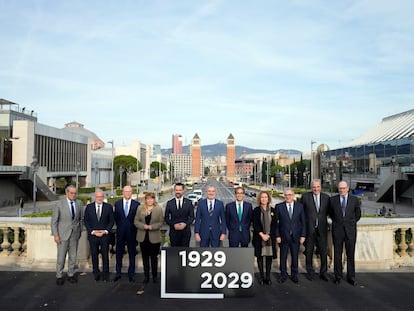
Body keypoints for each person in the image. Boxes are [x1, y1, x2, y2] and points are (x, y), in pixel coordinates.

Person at [329, 181, 361, 286]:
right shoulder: (333, 200)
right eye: (340, 188)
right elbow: (331, 214)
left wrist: (349, 223)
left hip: (350, 231)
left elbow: (357, 215)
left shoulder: (355, 200)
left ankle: (351, 277)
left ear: (348, 189)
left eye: (343, 188)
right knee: (337, 255)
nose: (342, 190)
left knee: (350, 255)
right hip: (337, 231)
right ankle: (337, 276)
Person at [51, 185, 83, 285]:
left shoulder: (79, 203)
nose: (74, 195)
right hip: (62, 235)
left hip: (75, 234)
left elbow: (81, 219)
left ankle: (70, 275)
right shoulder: (59, 204)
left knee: (73, 257)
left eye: (75, 193)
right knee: (61, 257)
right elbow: (54, 222)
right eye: (72, 193)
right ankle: (59, 276)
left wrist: (80, 231)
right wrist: (56, 235)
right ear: (67, 193)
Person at [301, 179, 330, 281]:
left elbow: (329, 212)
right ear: (311, 187)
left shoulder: (326, 198)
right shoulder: (305, 197)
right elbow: (302, 214)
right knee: (309, 251)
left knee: (323, 251)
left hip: (322, 229)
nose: (316, 189)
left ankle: (323, 272)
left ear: (320, 187)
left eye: (318, 187)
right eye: (314, 187)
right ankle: (310, 272)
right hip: (309, 229)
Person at [275, 188, 306, 284]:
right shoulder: (279, 207)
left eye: (290, 195)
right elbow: (275, 223)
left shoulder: (300, 207)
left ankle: (294, 274)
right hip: (283, 236)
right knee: (283, 257)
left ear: (293, 196)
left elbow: (303, 222)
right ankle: (283, 274)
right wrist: (277, 235)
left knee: (295, 256)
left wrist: (303, 235)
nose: (288, 197)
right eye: (286, 195)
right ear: (284, 196)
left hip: (296, 236)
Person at [84, 189, 115, 282]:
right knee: (94, 255)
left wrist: (105, 231)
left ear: (103, 197)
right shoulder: (89, 207)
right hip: (93, 236)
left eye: (101, 196)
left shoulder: (108, 207)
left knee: (105, 255)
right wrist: (93, 231)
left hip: (104, 236)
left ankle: (105, 274)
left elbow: (111, 221)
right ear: (95, 197)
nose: (99, 198)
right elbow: (86, 221)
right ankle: (96, 273)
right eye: (98, 197)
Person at [134, 192, 164, 284]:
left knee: (154, 258)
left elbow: (160, 222)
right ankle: (146, 276)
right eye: (148, 199)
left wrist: (152, 227)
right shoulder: (140, 208)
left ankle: (154, 276)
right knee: (145, 258)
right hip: (143, 237)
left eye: (151, 199)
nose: (149, 200)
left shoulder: (158, 209)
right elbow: (135, 221)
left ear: (154, 199)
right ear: (145, 200)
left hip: (154, 237)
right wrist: (143, 226)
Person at [113, 185, 140, 283]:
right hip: (120, 232)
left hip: (132, 233)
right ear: (123, 193)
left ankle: (131, 274)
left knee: (132, 253)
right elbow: (115, 217)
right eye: (126, 191)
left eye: (129, 192)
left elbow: (138, 219)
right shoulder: (117, 204)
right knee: (118, 253)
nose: (127, 193)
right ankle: (118, 273)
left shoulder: (136, 204)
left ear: (131, 193)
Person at [252, 191, 277, 285]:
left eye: (265, 197)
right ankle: (262, 277)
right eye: (262, 197)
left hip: (270, 238)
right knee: (260, 257)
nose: (264, 199)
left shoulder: (273, 210)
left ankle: (268, 277)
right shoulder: (256, 210)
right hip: (259, 238)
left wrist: (269, 235)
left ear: (268, 199)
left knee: (269, 258)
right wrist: (262, 234)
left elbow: (274, 225)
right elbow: (255, 224)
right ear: (259, 199)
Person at [164, 182, 195, 247]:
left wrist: (185, 224)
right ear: (174, 190)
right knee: (175, 253)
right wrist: (173, 225)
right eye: (176, 190)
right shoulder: (170, 203)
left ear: (183, 191)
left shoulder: (189, 203)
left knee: (185, 253)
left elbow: (192, 217)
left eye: (180, 190)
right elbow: (166, 218)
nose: (178, 192)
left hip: (185, 233)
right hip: (174, 233)